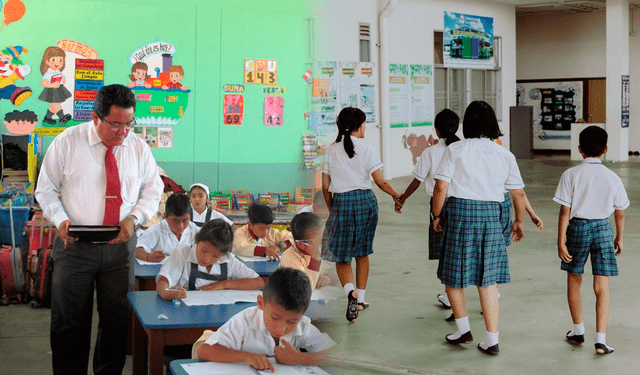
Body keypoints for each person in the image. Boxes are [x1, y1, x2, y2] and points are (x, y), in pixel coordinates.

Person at [35, 84, 164, 374]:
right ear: (95, 118)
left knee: (117, 322)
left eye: (129, 124)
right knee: (69, 323)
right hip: (74, 246)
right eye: (115, 124)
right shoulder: (68, 142)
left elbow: (153, 190)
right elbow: (45, 190)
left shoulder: (138, 147)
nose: (123, 132)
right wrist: (60, 220)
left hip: (120, 249)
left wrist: (134, 219)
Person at [431, 101, 526, 355]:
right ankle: (492, 340)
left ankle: (463, 330)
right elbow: (517, 193)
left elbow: (441, 188)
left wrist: (436, 215)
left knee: (453, 276)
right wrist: (519, 221)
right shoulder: (504, 154)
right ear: (493, 124)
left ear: (467, 123)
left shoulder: (456, 150)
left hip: (460, 213)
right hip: (491, 216)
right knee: (488, 280)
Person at [321, 107, 401, 322]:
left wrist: (333, 209)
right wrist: (396, 195)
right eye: (364, 124)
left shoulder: (330, 151)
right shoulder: (367, 150)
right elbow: (380, 181)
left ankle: (350, 293)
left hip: (342, 202)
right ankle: (362, 299)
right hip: (366, 202)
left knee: (341, 255)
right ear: (358, 126)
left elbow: (324, 186)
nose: (365, 127)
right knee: (362, 252)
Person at [554, 126, 628, 355]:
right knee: (601, 286)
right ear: (605, 150)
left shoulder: (571, 174)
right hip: (603, 229)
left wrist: (560, 242)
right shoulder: (612, 177)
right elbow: (620, 212)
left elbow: (564, 213)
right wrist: (619, 237)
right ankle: (601, 340)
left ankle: (578, 332)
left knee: (574, 280)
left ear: (579, 150)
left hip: (577, 228)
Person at [193, 268, 336, 371]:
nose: (281, 328)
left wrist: (300, 359)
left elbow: (340, 355)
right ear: (261, 303)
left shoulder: (303, 325)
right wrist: (245, 356)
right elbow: (205, 350)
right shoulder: (244, 321)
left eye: (292, 322)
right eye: (275, 317)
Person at [156, 219, 264, 301]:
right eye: (204, 250)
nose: (207, 259)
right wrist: (166, 293)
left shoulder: (228, 260)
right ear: (197, 241)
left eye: (216, 256)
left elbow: (258, 282)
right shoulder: (183, 253)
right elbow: (163, 281)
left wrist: (224, 284)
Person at [135, 193, 199, 263]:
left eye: (185, 220)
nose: (181, 226)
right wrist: (148, 257)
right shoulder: (156, 230)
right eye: (176, 221)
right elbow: (137, 249)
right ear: (165, 216)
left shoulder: (194, 230)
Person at [280, 212, 332, 290]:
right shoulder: (289, 257)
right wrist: (315, 258)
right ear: (301, 245)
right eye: (318, 241)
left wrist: (328, 278)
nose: (324, 243)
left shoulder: (325, 250)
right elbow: (304, 287)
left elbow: (336, 272)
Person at [39, 46, 72, 126]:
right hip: (51, 90)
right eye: (53, 60)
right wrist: (51, 84)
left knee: (53, 105)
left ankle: (47, 118)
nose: (57, 63)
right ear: (47, 62)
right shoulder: (48, 73)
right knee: (56, 104)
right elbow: (43, 82)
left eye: (60, 60)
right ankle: (62, 117)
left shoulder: (58, 71)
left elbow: (62, 77)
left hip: (59, 89)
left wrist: (63, 80)